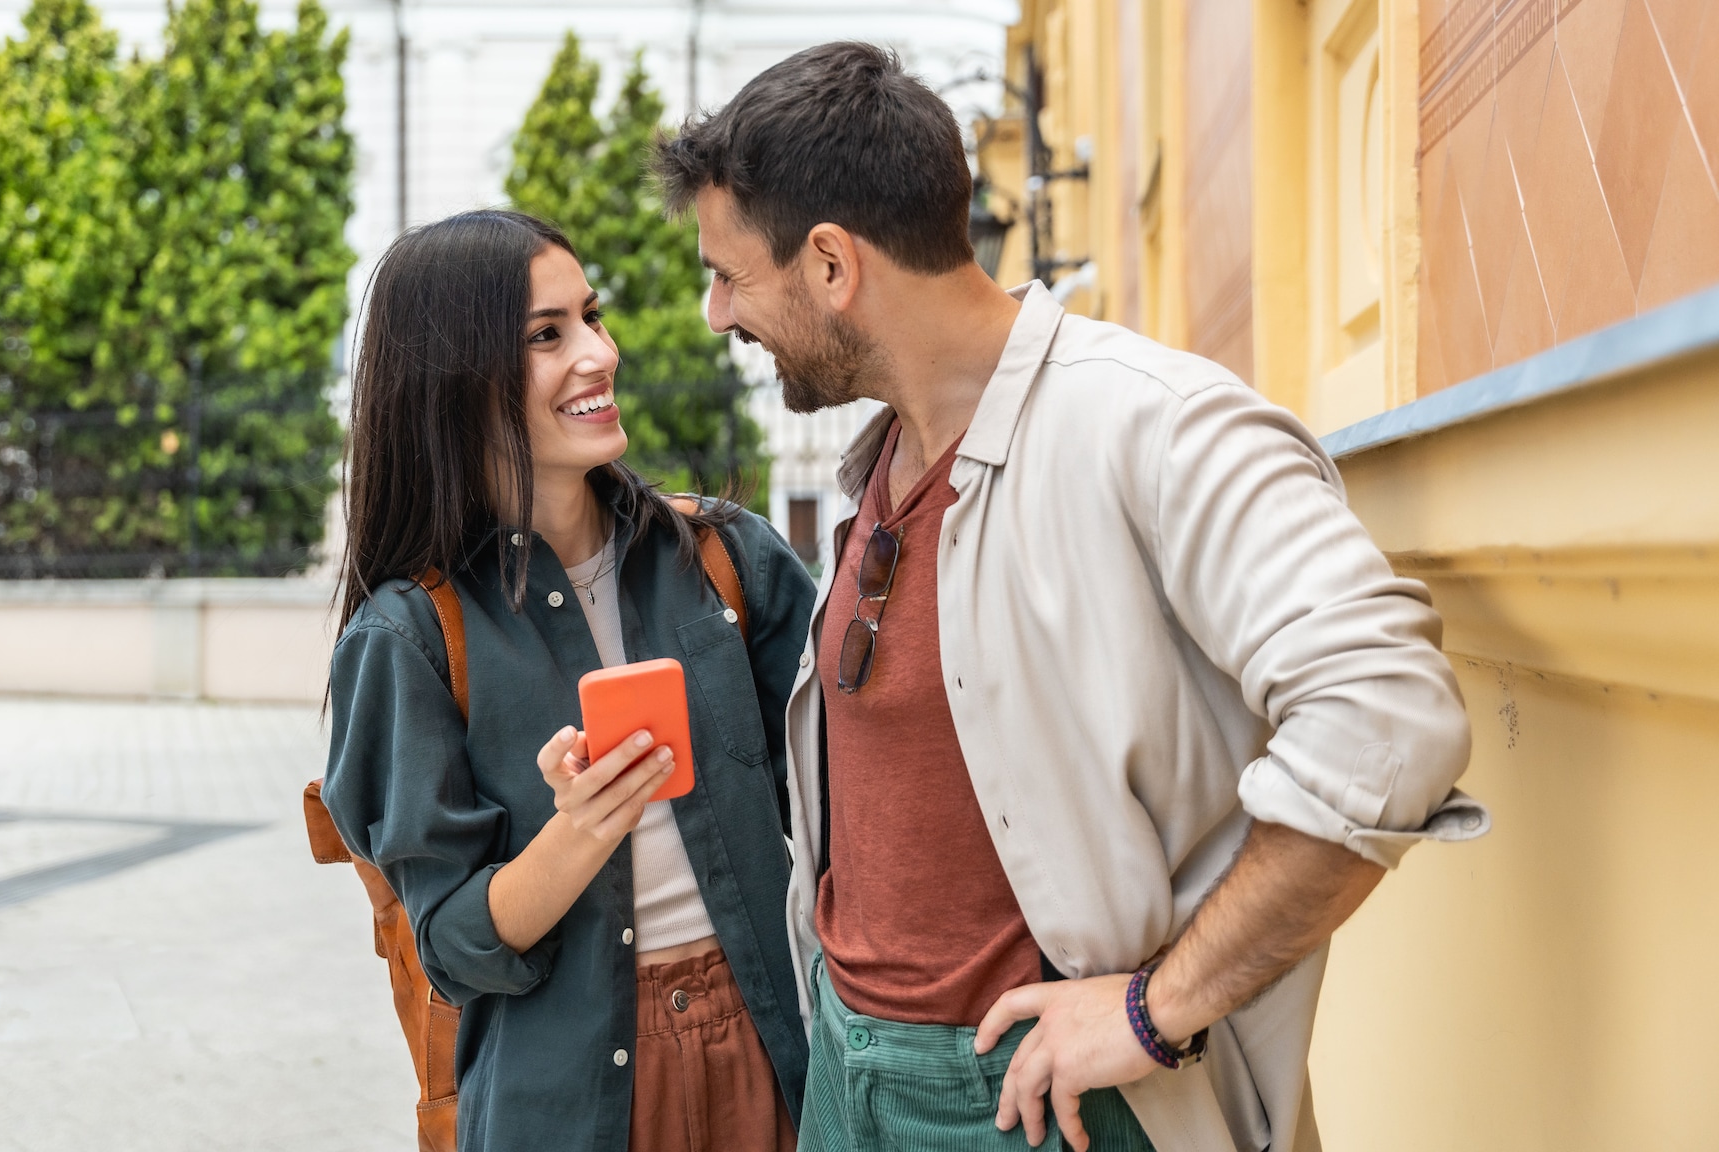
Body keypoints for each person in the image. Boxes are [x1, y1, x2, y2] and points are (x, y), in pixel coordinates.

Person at [656, 42, 1485, 1152]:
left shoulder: (1155, 425)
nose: (715, 313)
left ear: (827, 264)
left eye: (727, 274)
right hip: (849, 1087)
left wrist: (1154, 1011)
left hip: (1046, 1110)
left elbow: (1386, 718)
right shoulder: (882, 464)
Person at [321, 209, 814, 1152]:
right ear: (456, 380)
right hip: (566, 1102)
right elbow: (456, 948)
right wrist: (583, 828)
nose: (600, 353)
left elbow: (845, 808)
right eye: (547, 336)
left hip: (770, 1052)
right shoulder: (410, 637)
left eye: (591, 317)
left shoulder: (722, 559)